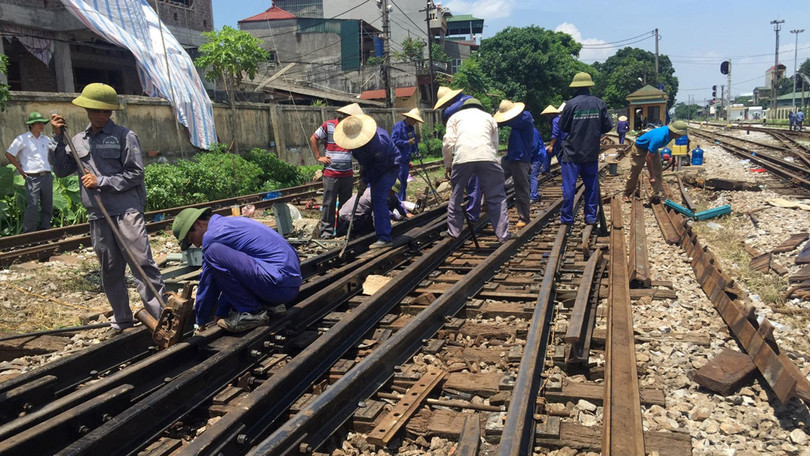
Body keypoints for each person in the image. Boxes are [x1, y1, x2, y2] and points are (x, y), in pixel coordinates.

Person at [49, 83, 166, 330]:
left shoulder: (125, 136)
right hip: (98, 215)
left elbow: (136, 173)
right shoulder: (77, 140)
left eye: (106, 112)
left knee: (141, 263)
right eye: (96, 111)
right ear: (87, 110)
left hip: (126, 211)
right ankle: (122, 318)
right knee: (110, 270)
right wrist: (57, 139)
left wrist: (100, 181)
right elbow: (60, 170)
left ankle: (162, 316)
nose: (101, 116)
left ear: (111, 113)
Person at [172, 207, 302, 332]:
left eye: (191, 239)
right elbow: (232, 278)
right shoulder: (230, 223)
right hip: (289, 285)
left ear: (198, 224)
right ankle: (268, 306)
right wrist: (221, 312)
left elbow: (208, 284)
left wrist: (200, 321)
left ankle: (252, 313)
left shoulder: (211, 237)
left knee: (213, 252)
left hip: (276, 285)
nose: (196, 245)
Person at [443, 98, 510, 242]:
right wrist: (492, 159)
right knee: (497, 197)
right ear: (480, 107)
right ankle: (503, 235)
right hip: (487, 156)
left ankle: (454, 232)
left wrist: (448, 165)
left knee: (456, 195)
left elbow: (448, 142)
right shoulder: (489, 118)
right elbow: (494, 143)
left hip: (462, 158)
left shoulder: (454, 117)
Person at [334, 114, 401, 249]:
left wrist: (366, 180)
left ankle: (384, 238)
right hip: (375, 167)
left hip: (389, 166)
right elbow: (364, 161)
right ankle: (380, 232)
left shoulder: (379, 141)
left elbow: (380, 166)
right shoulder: (355, 144)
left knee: (378, 198)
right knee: (375, 196)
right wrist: (363, 175)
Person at [558, 72, 612, 226]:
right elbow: (607, 126)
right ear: (589, 85)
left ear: (575, 87)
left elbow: (563, 126)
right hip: (591, 153)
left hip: (572, 153)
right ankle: (590, 217)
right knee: (591, 186)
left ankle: (567, 218)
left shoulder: (570, 104)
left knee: (569, 186)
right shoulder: (599, 103)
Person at [309, 103, 364, 239]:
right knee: (329, 202)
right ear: (345, 116)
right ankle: (326, 232)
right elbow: (313, 138)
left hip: (347, 173)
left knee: (345, 204)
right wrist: (319, 157)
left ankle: (342, 230)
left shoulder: (352, 130)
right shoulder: (329, 125)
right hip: (331, 172)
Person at [434, 86, 482, 222]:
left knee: (462, 184)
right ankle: (475, 210)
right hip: (482, 147)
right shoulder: (471, 101)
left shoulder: (450, 112)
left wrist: (448, 165)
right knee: (476, 183)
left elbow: (448, 141)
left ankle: (466, 217)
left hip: (466, 149)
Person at [6, 112, 54, 233]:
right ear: (31, 125)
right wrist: (20, 169)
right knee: (32, 205)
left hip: (47, 175)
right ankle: (29, 233)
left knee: (47, 204)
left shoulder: (46, 139)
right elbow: (9, 154)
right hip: (32, 177)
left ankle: (45, 229)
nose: (41, 125)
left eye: (42, 123)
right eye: (38, 123)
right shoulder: (22, 139)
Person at [622, 121, 688, 204]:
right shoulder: (659, 137)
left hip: (652, 149)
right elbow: (648, 158)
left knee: (658, 170)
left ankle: (654, 195)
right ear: (675, 132)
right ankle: (626, 194)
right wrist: (651, 175)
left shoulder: (670, 135)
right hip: (640, 148)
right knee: (635, 171)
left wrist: (654, 174)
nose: (681, 136)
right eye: (680, 134)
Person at [494, 99, 534, 229]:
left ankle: (524, 217)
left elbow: (514, 122)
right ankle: (485, 205)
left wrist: (501, 120)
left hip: (521, 159)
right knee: (492, 177)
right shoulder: (515, 122)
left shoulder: (526, 117)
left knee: (521, 188)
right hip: (511, 158)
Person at [337, 183, 412, 237]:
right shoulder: (374, 194)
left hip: (359, 217)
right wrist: (399, 218)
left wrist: (406, 213)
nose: (393, 194)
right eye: (392, 192)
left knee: (391, 201)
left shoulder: (384, 191)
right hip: (349, 219)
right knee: (376, 214)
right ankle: (360, 234)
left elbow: (397, 201)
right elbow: (382, 211)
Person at [391, 108, 424, 202]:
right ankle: (397, 204)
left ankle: (402, 202)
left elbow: (413, 143)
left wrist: (416, 152)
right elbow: (394, 140)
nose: (415, 122)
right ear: (409, 118)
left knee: (404, 184)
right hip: (398, 161)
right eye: (414, 120)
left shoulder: (411, 129)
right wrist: (406, 142)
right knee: (398, 184)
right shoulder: (399, 126)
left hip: (405, 161)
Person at [528, 127, 546, 204]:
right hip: (533, 156)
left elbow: (534, 147)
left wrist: (528, 157)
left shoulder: (532, 131)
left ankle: (534, 196)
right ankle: (530, 193)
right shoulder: (528, 130)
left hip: (537, 156)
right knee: (529, 175)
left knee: (532, 175)